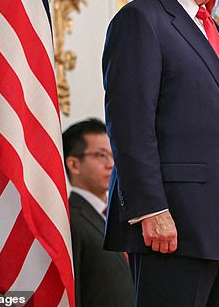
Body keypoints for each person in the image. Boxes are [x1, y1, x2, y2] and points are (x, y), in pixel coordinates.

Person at [101, 0, 219, 307]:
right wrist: (151, 208)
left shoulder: (212, 27)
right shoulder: (141, 20)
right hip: (173, 226)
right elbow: (131, 125)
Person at [63, 118, 134, 307]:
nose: (111, 164)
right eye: (101, 155)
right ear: (74, 165)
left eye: (113, 155)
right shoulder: (69, 220)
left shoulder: (122, 213)